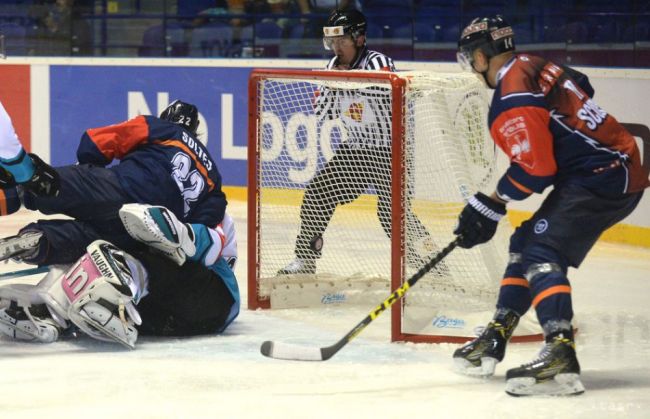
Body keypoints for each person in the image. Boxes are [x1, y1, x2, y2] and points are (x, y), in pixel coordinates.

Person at [451, 15, 649, 396]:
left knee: (543, 251)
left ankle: (559, 349)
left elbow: (536, 171)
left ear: (479, 56)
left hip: (604, 175)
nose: (472, 68)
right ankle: (496, 334)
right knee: (525, 242)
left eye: (469, 59)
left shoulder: (511, 96)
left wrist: (488, 205)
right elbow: (581, 85)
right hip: (609, 166)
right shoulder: (534, 63)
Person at [278, 8, 443, 275]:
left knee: (393, 216)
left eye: (342, 41)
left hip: (392, 151)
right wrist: (332, 84)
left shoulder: (379, 63)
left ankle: (432, 267)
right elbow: (323, 113)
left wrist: (348, 82)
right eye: (332, 42)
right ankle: (305, 260)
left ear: (359, 39)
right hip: (356, 149)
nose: (336, 48)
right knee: (317, 194)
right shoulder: (332, 66)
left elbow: (390, 95)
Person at [0, 99, 227, 267]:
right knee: (92, 241)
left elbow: (96, 141)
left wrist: (85, 173)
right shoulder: (214, 183)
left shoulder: (163, 128)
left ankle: (17, 200)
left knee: (37, 185)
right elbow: (197, 232)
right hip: (144, 231)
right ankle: (42, 242)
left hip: (118, 187)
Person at [0, 203, 239, 348]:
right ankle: (49, 311)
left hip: (212, 302)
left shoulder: (209, 207)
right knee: (91, 258)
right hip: (156, 319)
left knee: (119, 258)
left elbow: (217, 258)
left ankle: (117, 280)